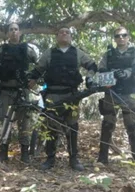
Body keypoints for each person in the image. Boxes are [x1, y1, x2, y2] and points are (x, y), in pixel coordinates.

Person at [28, 26, 97, 171]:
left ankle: (73, 159)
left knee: (72, 126)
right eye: (61, 32)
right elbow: (38, 70)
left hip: (72, 95)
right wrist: (30, 81)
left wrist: (89, 79)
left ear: (71, 36)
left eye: (67, 32)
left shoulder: (77, 53)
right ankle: (50, 159)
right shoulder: (49, 53)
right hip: (52, 95)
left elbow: (92, 66)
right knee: (51, 126)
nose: (64, 34)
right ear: (57, 36)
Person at [97, 26, 135, 166]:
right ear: (114, 39)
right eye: (118, 36)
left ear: (128, 36)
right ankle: (102, 157)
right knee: (107, 125)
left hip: (129, 94)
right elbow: (101, 69)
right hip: (111, 93)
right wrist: (110, 75)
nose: (121, 38)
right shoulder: (108, 54)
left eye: (124, 35)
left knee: (132, 126)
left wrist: (125, 73)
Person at [0, 23, 38, 165]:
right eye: (11, 30)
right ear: (7, 33)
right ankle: (3, 152)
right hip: (6, 90)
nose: (13, 32)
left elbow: (39, 65)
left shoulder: (28, 50)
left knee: (24, 122)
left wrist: (34, 79)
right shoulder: (1, 50)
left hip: (22, 91)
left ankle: (25, 153)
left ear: (20, 33)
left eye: (16, 29)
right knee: (6, 122)